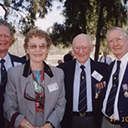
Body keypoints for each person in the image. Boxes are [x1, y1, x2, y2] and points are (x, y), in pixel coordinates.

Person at [3, 28, 66, 128]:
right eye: (33, 46)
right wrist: (28, 125)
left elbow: (61, 104)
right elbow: (8, 107)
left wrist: (48, 125)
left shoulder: (58, 74)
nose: (38, 50)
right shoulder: (14, 74)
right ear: (27, 49)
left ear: (47, 49)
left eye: (42, 46)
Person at [58, 33, 108, 128]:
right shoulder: (62, 70)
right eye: (77, 48)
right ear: (72, 48)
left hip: (95, 121)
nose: (81, 52)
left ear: (92, 48)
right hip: (70, 121)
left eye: (85, 48)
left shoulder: (104, 69)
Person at [0, 19, 25, 128]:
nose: (2, 39)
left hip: (16, 121)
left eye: (6, 36)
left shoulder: (22, 64)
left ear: (11, 39)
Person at [101, 27, 128, 128]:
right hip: (105, 122)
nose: (115, 44)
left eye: (118, 39)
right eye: (111, 41)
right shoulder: (112, 66)